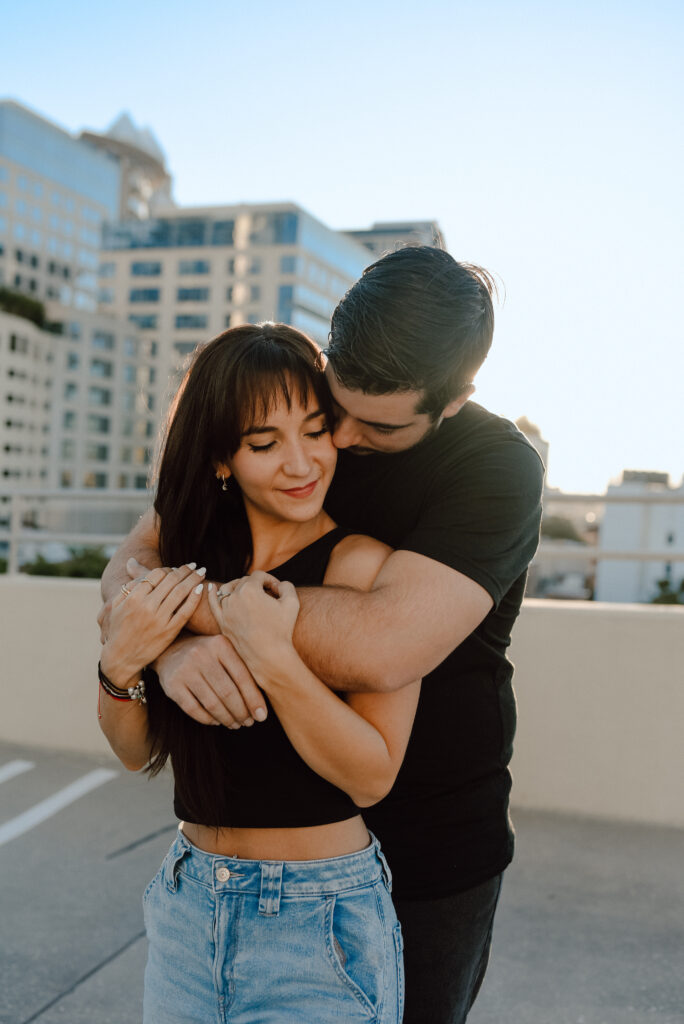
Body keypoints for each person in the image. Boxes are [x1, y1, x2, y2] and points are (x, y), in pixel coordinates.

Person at [101, 245, 545, 1024]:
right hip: (226, 867)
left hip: (432, 840)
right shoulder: (299, 419)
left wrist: (191, 616)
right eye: (329, 404)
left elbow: (382, 644)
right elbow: (135, 562)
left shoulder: (493, 467)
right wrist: (164, 648)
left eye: (368, 423)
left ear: (452, 400)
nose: (332, 440)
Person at [98, 323, 419, 1023]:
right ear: (222, 457)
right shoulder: (185, 562)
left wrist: (273, 655)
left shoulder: (357, 565)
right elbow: (133, 751)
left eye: (315, 431)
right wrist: (130, 661)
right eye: (265, 444)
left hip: (318, 921)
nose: (302, 463)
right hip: (188, 905)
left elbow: (372, 774)